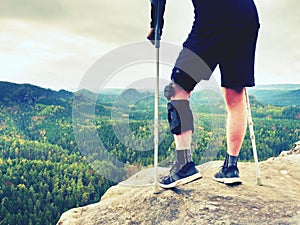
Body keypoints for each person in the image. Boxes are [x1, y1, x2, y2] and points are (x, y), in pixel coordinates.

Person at [147, 0, 260, 189]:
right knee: (235, 92)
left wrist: (155, 24)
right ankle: (230, 168)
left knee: (178, 89)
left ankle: (184, 165)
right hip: (247, 17)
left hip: (215, 17)